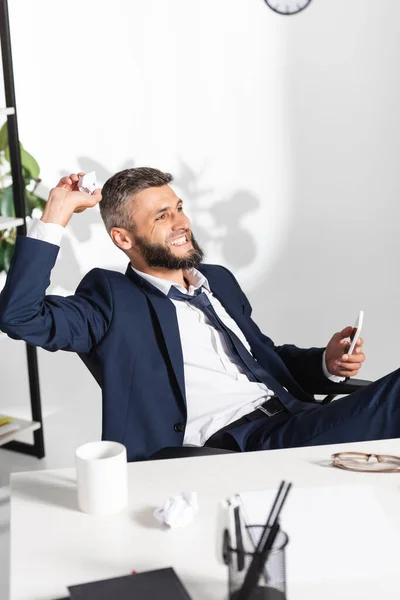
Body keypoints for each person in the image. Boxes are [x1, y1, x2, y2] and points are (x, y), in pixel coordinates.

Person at [0, 167, 397, 462]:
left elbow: (260, 358)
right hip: (241, 444)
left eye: (178, 208)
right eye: (162, 216)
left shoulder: (217, 281)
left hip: (298, 417)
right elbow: (20, 316)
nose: (182, 223)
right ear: (123, 238)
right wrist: (55, 215)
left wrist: (324, 363)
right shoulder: (111, 301)